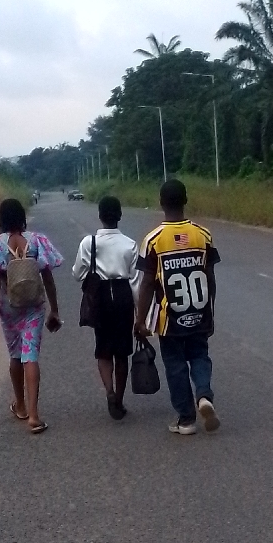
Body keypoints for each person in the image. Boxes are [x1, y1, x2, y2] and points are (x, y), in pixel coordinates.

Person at [135, 179, 221, 435]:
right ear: (186, 201)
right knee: (200, 356)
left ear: (161, 203)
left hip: (169, 318)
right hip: (199, 312)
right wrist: (210, 312)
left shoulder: (153, 240)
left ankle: (186, 420)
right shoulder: (203, 235)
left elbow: (147, 283)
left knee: (175, 365)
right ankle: (203, 394)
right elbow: (210, 278)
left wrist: (140, 319)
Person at [0, 198, 63, 434]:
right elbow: (48, 278)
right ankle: (34, 417)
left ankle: (21, 405)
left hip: (9, 308)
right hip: (34, 306)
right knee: (31, 355)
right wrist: (54, 309)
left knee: (15, 355)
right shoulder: (36, 241)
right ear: (22, 217)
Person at [73, 195, 139, 420]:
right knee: (122, 352)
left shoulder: (88, 243)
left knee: (103, 348)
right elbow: (136, 282)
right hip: (122, 295)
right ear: (120, 215)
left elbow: (77, 274)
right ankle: (119, 399)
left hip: (99, 297)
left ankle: (109, 391)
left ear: (100, 216)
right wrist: (140, 315)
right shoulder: (130, 244)